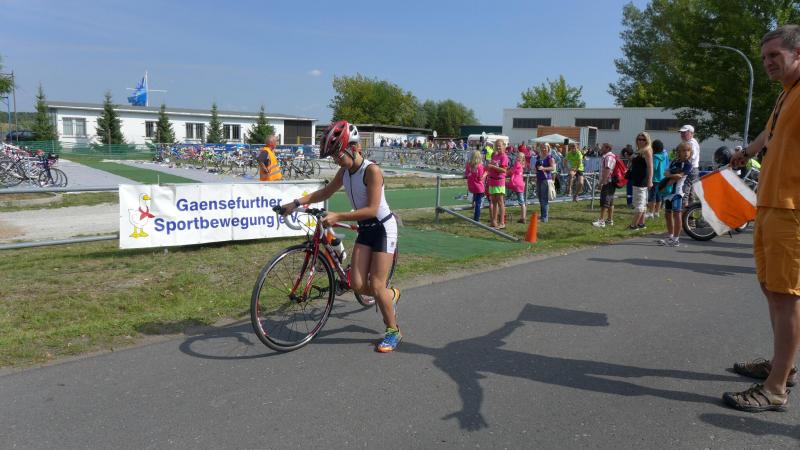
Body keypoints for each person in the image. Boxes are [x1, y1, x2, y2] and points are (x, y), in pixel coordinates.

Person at [723, 25, 800, 412]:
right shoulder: (785, 95)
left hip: (793, 209)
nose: (768, 63)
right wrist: (745, 153)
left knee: (786, 296)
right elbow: (766, 137)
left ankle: (776, 388)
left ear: (798, 53)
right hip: (769, 204)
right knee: (772, 290)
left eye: (775, 56)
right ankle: (782, 365)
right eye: (765, 57)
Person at [278, 121, 402, 353]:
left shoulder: (372, 171)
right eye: (333, 156)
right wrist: (295, 203)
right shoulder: (345, 171)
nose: (336, 160)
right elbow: (325, 192)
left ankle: (393, 330)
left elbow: (372, 209)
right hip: (366, 229)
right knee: (356, 285)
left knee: (376, 285)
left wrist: (338, 216)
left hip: (383, 229)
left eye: (338, 155)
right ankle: (389, 295)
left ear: (353, 148)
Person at [656, 142, 692, 247]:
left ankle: (676, 239)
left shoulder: (687, 164)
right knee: (668, 214)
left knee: (677, 214)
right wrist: (671, 175)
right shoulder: (674, 161)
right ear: (679, 152)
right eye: (684, 151)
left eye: (688, 151)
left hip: (677, 193)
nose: (686, 153)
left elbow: (679, 176)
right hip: (668, 193)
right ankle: (670, 236)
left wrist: (670, 177)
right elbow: (665, 173)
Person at [627, 132, 653, 230]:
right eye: (639, 139)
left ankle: (633, 225)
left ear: (647, 141)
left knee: (640, 204)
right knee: (642, 202)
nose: (640, 141)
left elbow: (650, 167)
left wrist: (650, 180)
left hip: (642, 181)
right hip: (637, 180)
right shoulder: (639, 151)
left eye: (643, 139)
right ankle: (641, 223)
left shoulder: (647, 151)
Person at [592, 143, 617, 227]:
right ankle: (609, 220)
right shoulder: (609, 156)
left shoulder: (608, 157)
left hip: (607, 182)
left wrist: (602, 182)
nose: (601, 149)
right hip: (609, 182)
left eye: (602, 147)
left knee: (605, 201)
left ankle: (601, 221)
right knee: (610, 201)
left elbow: (607, 170)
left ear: (607, 148)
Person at [487, 139, 509, 229]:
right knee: (494, 202)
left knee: (500, 202)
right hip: (492, 181)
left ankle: (502, 222)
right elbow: (491, 166)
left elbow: (504, 170)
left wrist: (493, 166)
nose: (498, 147)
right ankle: (494, 221)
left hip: (499, 181)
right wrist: (490, 166)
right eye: (497, 146)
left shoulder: (504, 157)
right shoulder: (495, 155)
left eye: (500, 146)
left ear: (504, 146)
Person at [678, 124, 701, 209]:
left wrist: (680, 160)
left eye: (685, 132)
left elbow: (691, 157)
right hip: (694, 169)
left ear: (691, 133)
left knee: (685, 191)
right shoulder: (691, 142)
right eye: (681, 133)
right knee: (691, 193)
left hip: (690, 169)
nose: (682, 134)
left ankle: (684, 211)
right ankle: (690, 214)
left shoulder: (691, 143)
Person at [647, 139, 669, 220]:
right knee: (659, 196)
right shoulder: (664, 156)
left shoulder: (655, 157)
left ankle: (651, 213)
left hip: (655, 179)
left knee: (652, 196)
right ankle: (657, 212)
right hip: (662, 179)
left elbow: (654, 168)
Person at [534, 145, 556, 223]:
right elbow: (536, 167)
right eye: (542, 148)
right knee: (540, 198)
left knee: (544, 199)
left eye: (545, 148)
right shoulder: (539, 157)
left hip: (546, 180)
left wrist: (544, 168)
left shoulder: (550, 157)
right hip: (539, 179)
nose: (543, 149)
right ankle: (543, 215)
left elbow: (553, 168)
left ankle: (544, 217)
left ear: (548, 149)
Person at [465, 150, 487, 222]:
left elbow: (466, 174)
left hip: (472, 186)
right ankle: (476, 218)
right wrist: (486, 173)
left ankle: (475, 214)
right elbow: (480, 177)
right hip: (479, 187)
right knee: (478, 203)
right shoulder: (480, 166)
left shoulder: (468, 165)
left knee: (475, 201)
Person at [506, 152, 527, 224]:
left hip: (515, 184)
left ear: (522, 159)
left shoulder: (517, 164)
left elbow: (511, 171)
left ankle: (523, 218)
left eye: (519, 157)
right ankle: (523, 217)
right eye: (517, 156)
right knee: (522, 202)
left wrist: (503, 173)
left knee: (502, 184)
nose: (517, 158)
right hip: (520, 184)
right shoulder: (522, 165)